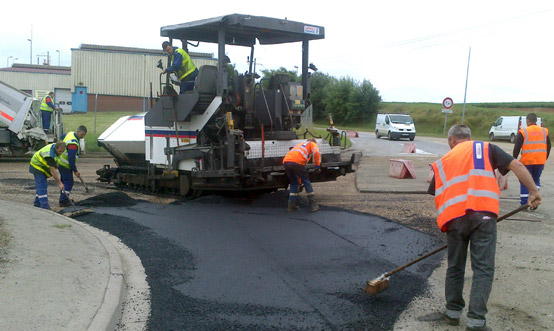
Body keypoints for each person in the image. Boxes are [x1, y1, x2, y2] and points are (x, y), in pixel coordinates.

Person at [428, 124, 541, 331]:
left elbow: (434, 190)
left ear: (452, 140)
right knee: (483, 270)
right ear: (468, 137)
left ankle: (452, 313)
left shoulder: (444, 161)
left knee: (455, 266)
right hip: (483, 216)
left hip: (454, 219)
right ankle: (476, 322)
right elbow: (517, 165)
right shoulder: (485, 149)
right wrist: (533, 191)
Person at [512, 113, 550, 206]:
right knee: (536, 180)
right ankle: (534, 201)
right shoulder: (545, 131)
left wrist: (514, 160)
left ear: (527, 121)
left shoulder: (523, 131)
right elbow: (549, 146)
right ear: (536, 121)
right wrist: (544, 159)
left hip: (527, 161)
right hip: (540, 161)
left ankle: (524, 203)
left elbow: (517, 148)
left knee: (524, 180)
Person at [283, 139, 321, 212]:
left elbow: (298, 173)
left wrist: (299, 183)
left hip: (286, 162)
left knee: (294, 183)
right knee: (306, 181)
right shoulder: (312, 143)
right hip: (297, 163)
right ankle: (313, 205)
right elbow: (316, 152)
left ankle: (291, 206)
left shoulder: (300, 145)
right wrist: (317, 166)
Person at [29, 141, 66, 209]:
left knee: (41, 186)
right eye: (60, 151)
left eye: (62, 151)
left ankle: (37, 204)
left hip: (41, 166)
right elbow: (53, 172)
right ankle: (45, 207)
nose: (61, 153)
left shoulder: (55, 147)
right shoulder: (50, 155)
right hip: (37, 166)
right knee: (42, 186)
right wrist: (59, 183)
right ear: (56, 148)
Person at [57, 126, 87, 207]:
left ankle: (64, 198)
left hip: (60, 162)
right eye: (82, 134)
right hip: (65, 165)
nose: (82, 137)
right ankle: (63, 200)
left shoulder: (70, 134)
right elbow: (71, 158)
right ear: (78, 132)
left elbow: (62, 137)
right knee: (69, 183)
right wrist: (75, 170)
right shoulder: (73, 143)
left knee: (64, 182)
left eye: (84, 135)